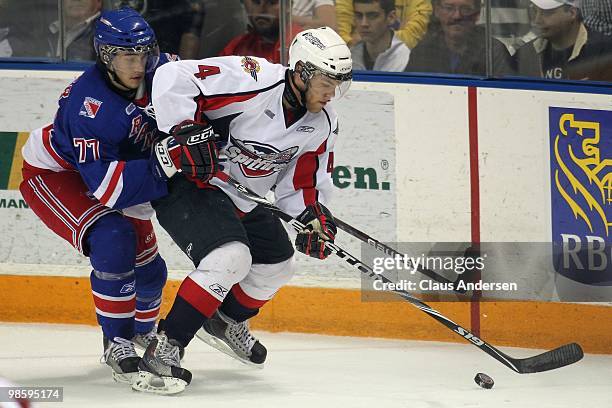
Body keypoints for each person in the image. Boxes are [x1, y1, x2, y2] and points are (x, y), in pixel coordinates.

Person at [131, 26, 352, 395]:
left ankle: (224, 320)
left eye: (340, 84)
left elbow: (300, 185)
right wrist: (182, 128)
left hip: (242, 195)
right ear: (301, 73)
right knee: (230, 256)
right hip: (192, 183)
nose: (332, 94)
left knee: (279, 264)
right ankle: (163, 349)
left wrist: (312, 215)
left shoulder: (322, 123)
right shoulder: (252, 78)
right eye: (327, 82)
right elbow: (173, 75)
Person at [18, 7, 182, 384]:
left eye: (143, 53)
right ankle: (117, 341)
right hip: (57, 174)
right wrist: (169, 159)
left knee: (152, 271)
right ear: (106, 56)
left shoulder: (165, 70)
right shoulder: (90, 106)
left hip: (117, 167)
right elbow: (110, 188)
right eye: (127, 56)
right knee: (113, 238)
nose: (138, 63)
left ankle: (142, 331)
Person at [405, 0, 515, 76]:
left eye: (466, 9)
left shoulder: (493, 51)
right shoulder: (423, 51)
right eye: (449, 8)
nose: (456, 16)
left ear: (477, 13)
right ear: (437, 11)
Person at [514, 0, 612, 81]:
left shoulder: (604, 53)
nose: (537, 20)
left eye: (547, 13)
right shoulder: (525, 55)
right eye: (535, 11)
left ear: (572, 13)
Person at [218, 0, 300, 63]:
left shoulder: (299, 44)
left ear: (288, 6)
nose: (262, 9)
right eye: (256, 1)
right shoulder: (238, 46)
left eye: (272, 2)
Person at [336, 0, 432, 49]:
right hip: (353, 58)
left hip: (404, 61)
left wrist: (376, 40)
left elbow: (413, 33)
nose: (364, 23)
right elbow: (338, 31)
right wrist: (353, 45)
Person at [350, 0, 411, 71]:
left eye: (372, 16)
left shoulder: (408, 58)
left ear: (391, 17)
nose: (364, 23)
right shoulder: (349, 56)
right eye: (359, 16)